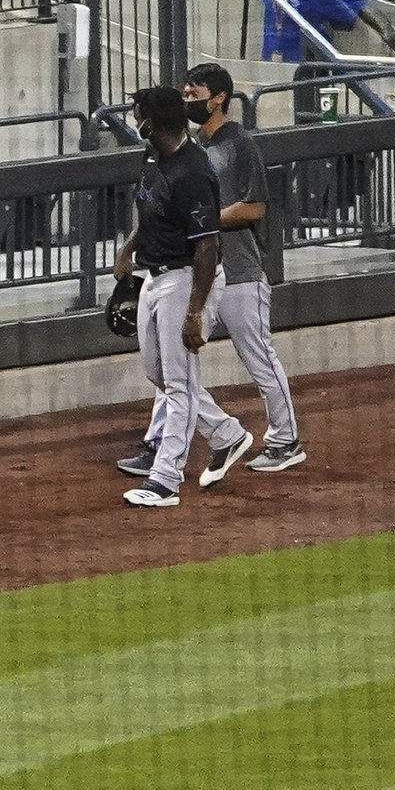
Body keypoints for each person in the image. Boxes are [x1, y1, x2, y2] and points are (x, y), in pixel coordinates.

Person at [114, 85, 244, 508]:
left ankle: (166, 479)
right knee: (160, 374)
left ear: (153, 122)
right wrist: (128, 248)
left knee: (180, 382)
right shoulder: (154, 156)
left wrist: (195, 311)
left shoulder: (193, 173)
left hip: (187, 278)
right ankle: (225, 433)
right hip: (154, 276)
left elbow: (207, 246)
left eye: (138, 115)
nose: (135, 121)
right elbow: (151, 209)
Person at [187, 63, 305, 474]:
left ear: (218, 97)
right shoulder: (190, 147)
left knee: (259, 359)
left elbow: (254, 207)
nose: (189, 99)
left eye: (195, 92)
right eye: (185, 93)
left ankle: (286, 439)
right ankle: (193, 438)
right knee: (172, 362)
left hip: (240, 271)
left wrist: (202, 220)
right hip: (198, 275)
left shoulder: (240, 144)